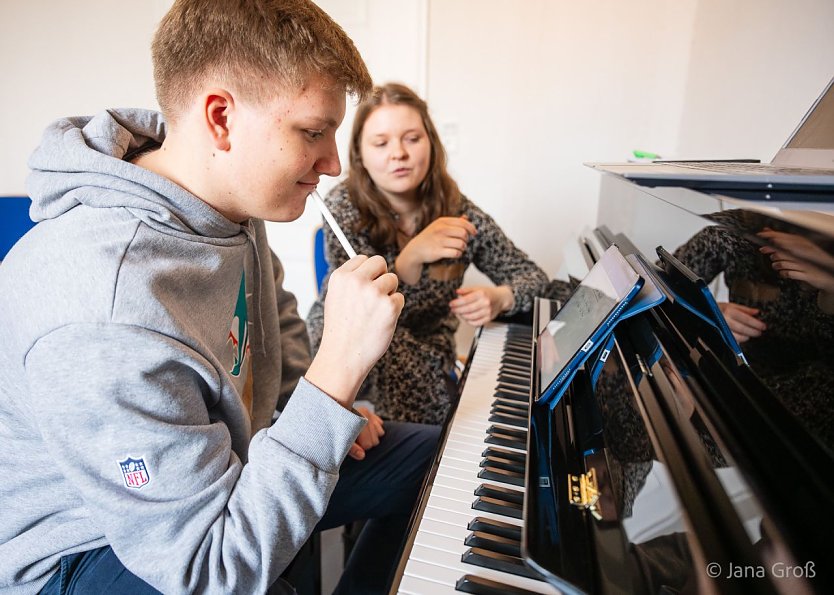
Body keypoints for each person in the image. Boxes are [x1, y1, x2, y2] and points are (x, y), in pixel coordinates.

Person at [0, 1, 439, 594]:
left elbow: (272, 334)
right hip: (89, 547)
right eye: (313, 132)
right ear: (221, 119)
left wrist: (317, 413)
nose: (334, 163)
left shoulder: (225, 204)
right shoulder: (104, 309)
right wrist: (335, 376)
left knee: (435, 460)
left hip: (224, 472)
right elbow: (209, 567)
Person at [307, 83, 549, 425]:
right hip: (348, 338)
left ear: (432, 145)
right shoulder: (343, 206)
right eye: (381, 142)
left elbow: (535, 278)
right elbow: (362, 306)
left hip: (428, 348)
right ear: (360, 154)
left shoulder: (459, 213)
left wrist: (501, 296)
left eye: (412, 138)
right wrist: (411, 257)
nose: (398, 153)